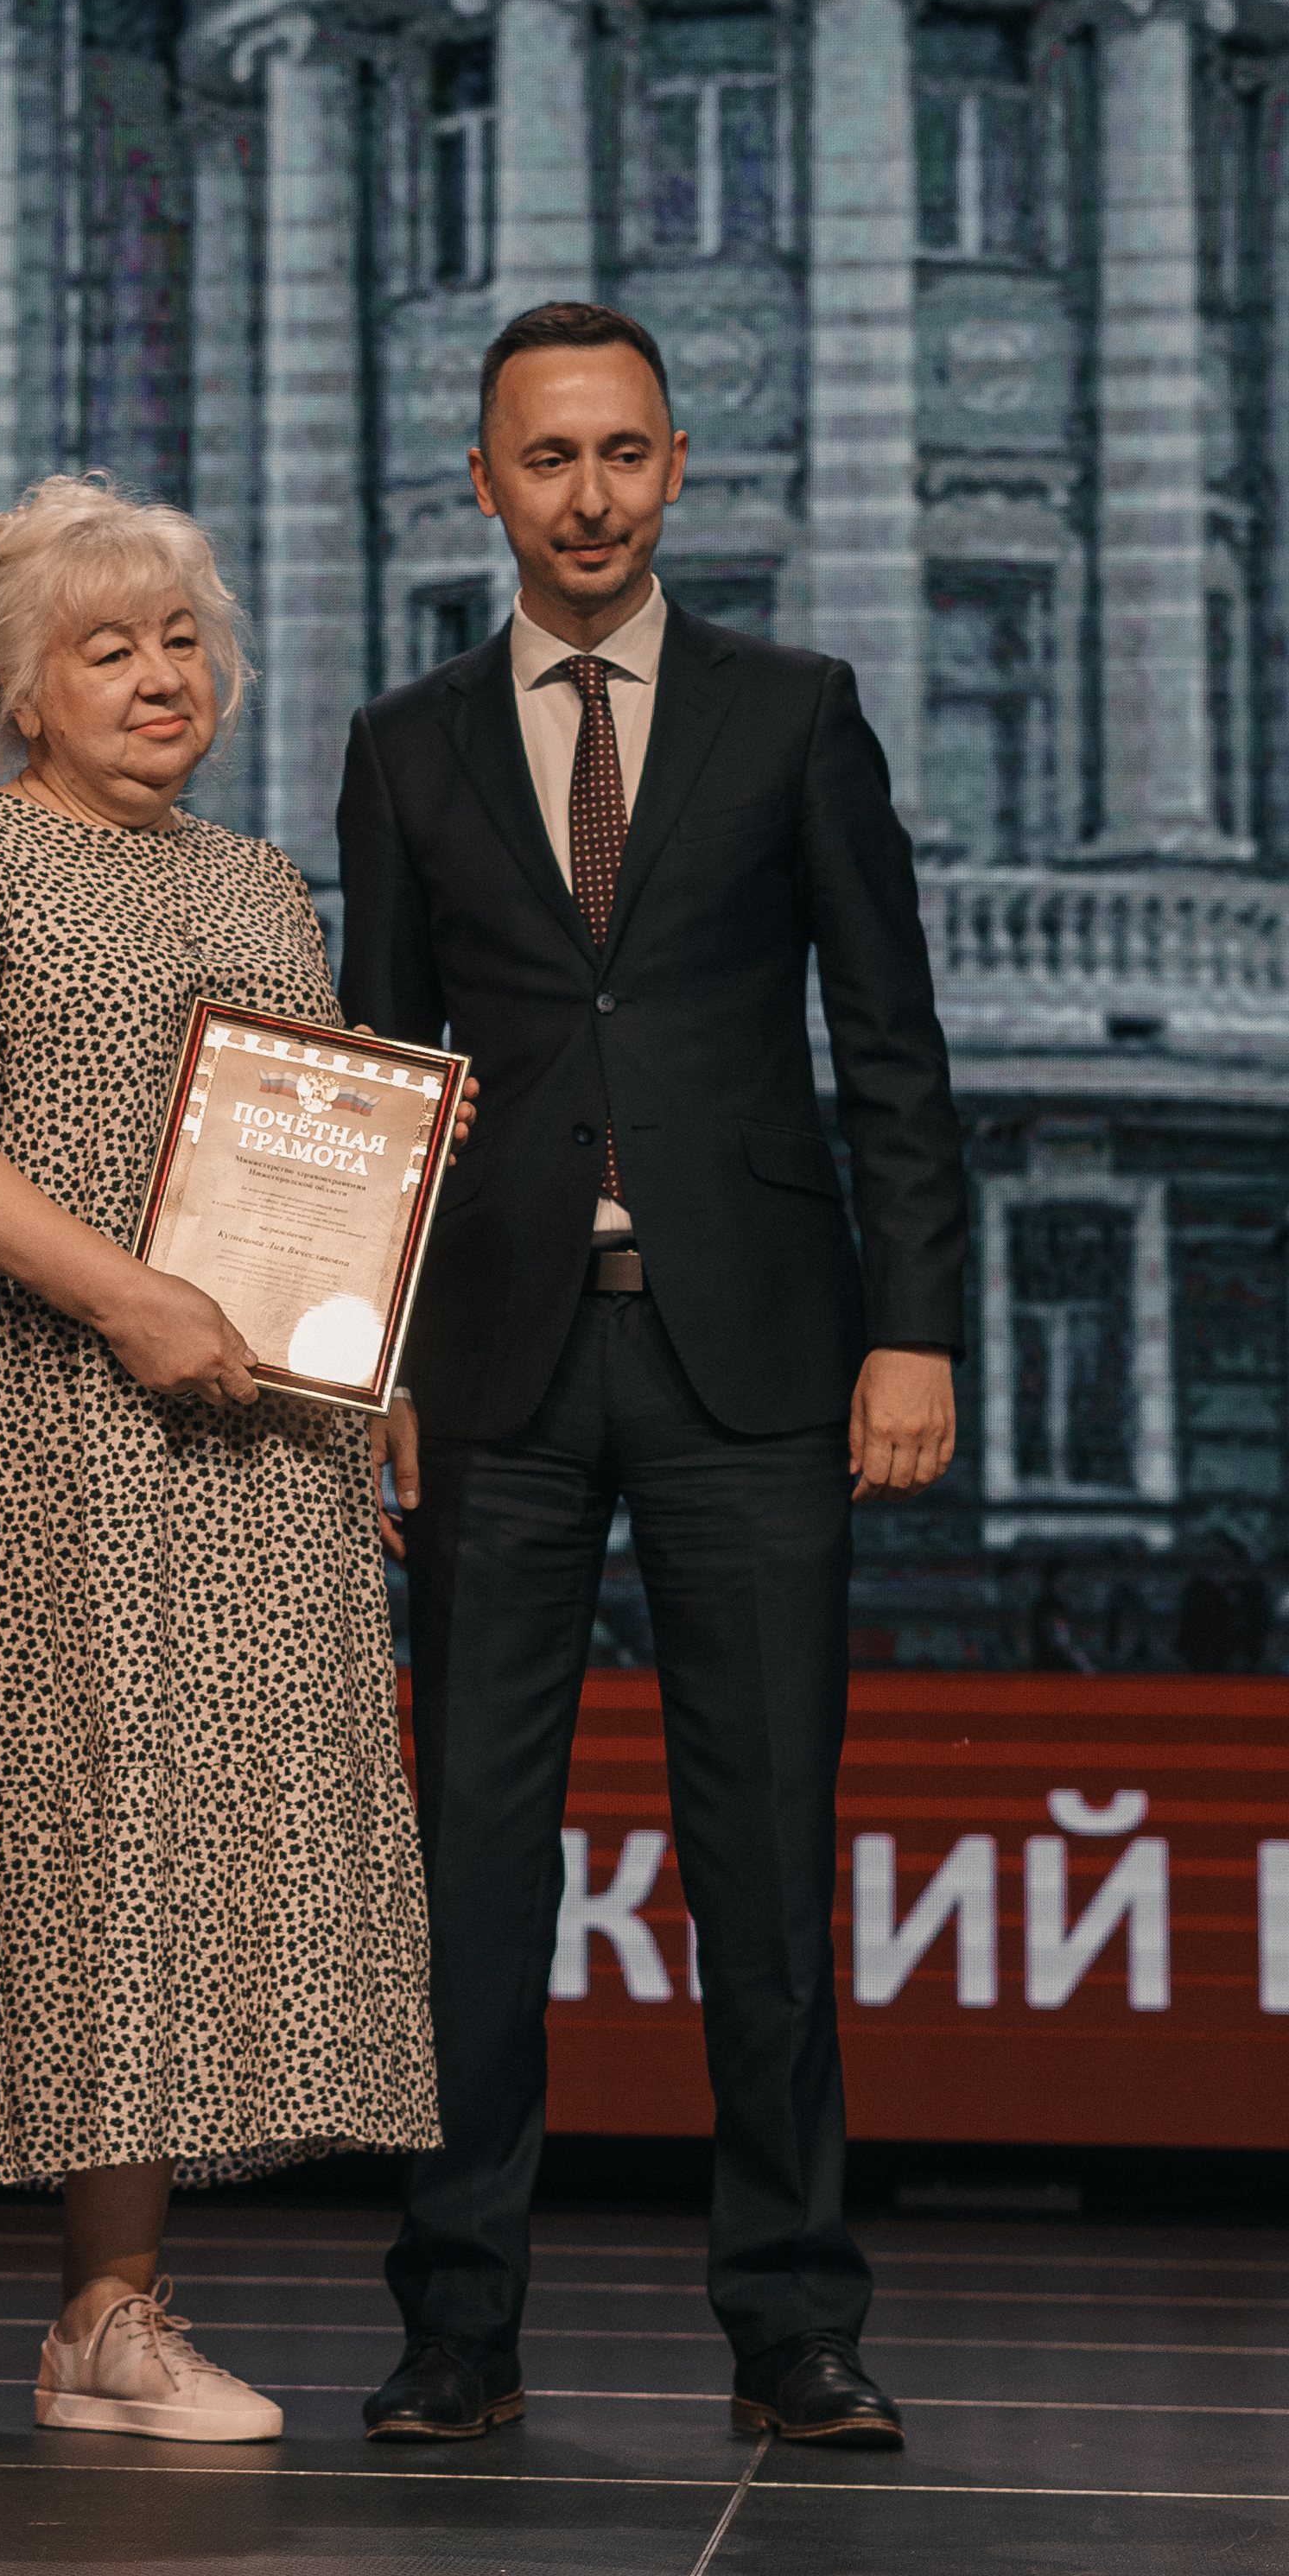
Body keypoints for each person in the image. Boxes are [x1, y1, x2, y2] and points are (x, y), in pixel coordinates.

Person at [335, 301, 967, 2452]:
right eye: (545, 459)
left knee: (764, 1865)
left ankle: (794, 2320)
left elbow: (892, 1045)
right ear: (484, 482)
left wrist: (917, 1323)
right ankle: (454, 2323)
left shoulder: (797, 714)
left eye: (621, 454)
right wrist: (373, 1358)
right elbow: (386, 1076)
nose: (585, 496)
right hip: (492, 1372)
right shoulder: (405, 742)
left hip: (764, 1364)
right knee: (473, 1868)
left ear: (676, 469)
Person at [0, 473, 440, 2454]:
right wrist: (124, 1299)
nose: (159, 678)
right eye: (107, 649)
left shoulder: (260, 885)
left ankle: (111, 2314)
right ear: (19, 684)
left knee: (156, 1848)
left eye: (180, 642)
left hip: (228, 1442)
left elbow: (310, 1163)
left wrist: (371, 1356)